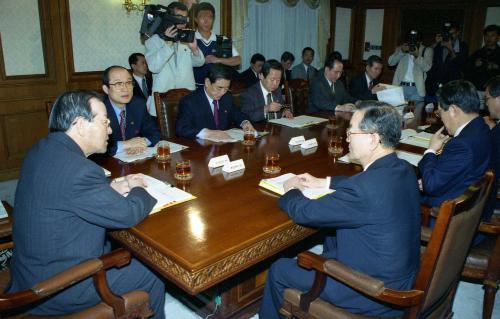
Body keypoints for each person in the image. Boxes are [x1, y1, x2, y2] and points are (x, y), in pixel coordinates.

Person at [7, 90, 165, 317]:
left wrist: (108, 188)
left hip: (29, 271)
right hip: (58, 287)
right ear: (80, 124)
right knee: (152, 272)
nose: (110, 130)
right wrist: (138, 187)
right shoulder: (80, 170)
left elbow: (63, 193)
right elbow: (128, 214)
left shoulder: (42, 148)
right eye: (105, 122)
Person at [259, 105, 421, 318]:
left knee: (279, 269)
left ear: (373, 139)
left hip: (372, 291)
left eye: (351, 131)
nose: (346, 138)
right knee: (331, 241)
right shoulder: (404, 169)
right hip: (399, 273)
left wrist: (289, 191)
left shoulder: (364, 189)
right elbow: (361, 184)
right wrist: (324, 182)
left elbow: (305, 212)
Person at [418, 80, 491, 209]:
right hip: (459, 197)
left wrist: (431, 150)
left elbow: (431, 186)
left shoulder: (462, 144)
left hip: (440, 214)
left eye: (440, 112)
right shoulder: (483, 128)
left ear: (453, 110)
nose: (440, 118)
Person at [144, 1, 205, 116]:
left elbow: (199, 62)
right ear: (169, 18)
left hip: (187, 97)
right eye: (179, 18)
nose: (183, 23)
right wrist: (168, 43)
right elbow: (154, 67)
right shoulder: (153, 41)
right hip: (163, 99)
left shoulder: (185, 37)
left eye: (185, 19)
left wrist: (195, 50)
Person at [176, 63, 255, 140]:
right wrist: (209, 133)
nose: (223, 92)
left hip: (224, 145)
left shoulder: (227, 97)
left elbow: (237, 114)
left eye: (226, 88)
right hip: (201, 148)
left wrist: (245, 123)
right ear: (207, 82)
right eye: (219, 88)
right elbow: (182, 128)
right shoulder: (190, 101)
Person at [102, 66, 161, 155]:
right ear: (106, 89)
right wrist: (125, 145)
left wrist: (142, 143)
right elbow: (93, 146)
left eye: (129, 82)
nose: (125, 88)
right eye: (118, 83)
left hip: (134, 160)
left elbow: (154, 133)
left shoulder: (138, 105)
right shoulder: (98, 110)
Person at [192, 2, 241, 87]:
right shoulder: (190, 39)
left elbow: (237, 60)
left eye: (209, 17)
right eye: (202, 17)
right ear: (196, 19)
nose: (206, 21)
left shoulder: (222, 39)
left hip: (218, 89)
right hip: (194, 88)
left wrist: (218, 60)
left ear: (213, 19)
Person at [388, 30, 433, 104]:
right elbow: (390, 63)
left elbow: (427, 68)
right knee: (399, 113)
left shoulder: (426, 50)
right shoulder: (401, 49)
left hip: (417, 89)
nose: (412, 42)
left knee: (414, 115)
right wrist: (401, 52)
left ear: (420, 41)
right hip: (400, 87)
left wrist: (417, 56)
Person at [426, 23, 469, 98]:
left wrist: (450, 48)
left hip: (451, 88)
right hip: (433, 87)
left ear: (458, 33)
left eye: (452, 34)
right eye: (447, 34)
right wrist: (436, 43)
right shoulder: (439, 45)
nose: (450, 36)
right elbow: (425, 55)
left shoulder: (463, 46)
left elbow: (460, 64)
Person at [465, 25, 500, 93]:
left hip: (494, 92)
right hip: (476, 90)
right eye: (486, 35)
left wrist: (496, 67)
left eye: (492, 35)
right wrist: (474, 65)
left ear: (498, 37)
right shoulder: (477, 53)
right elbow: (465, 70)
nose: (489, 38)